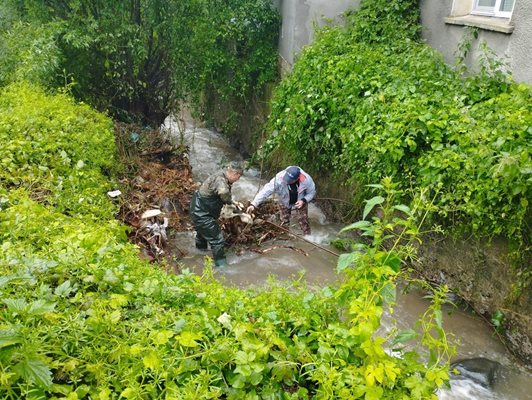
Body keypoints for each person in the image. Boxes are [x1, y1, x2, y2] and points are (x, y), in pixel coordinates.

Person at [189, 161, 243, 267]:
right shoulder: (221, 180)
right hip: (202, 213)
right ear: (235, 174)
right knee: (217, 239)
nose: (238, 179)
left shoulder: (221, 175)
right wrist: (229, 203)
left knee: (203, 234)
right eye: (239, 176)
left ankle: (200, 254)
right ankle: (222, 266)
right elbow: (223, 192)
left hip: (198, 210)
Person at [246, 166, 316, 235]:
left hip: (300, 200)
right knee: (284, 222)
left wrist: (303, 200)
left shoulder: (306, 180)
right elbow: (265, 191)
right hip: (284, 200)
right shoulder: (278, 179)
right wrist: (254, 204)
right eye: (286, 179)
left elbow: (311, 193)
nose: (286, 181)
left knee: (303, 221)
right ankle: (286, 237)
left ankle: (308, 237)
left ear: (297, 178)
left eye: (289, 180)